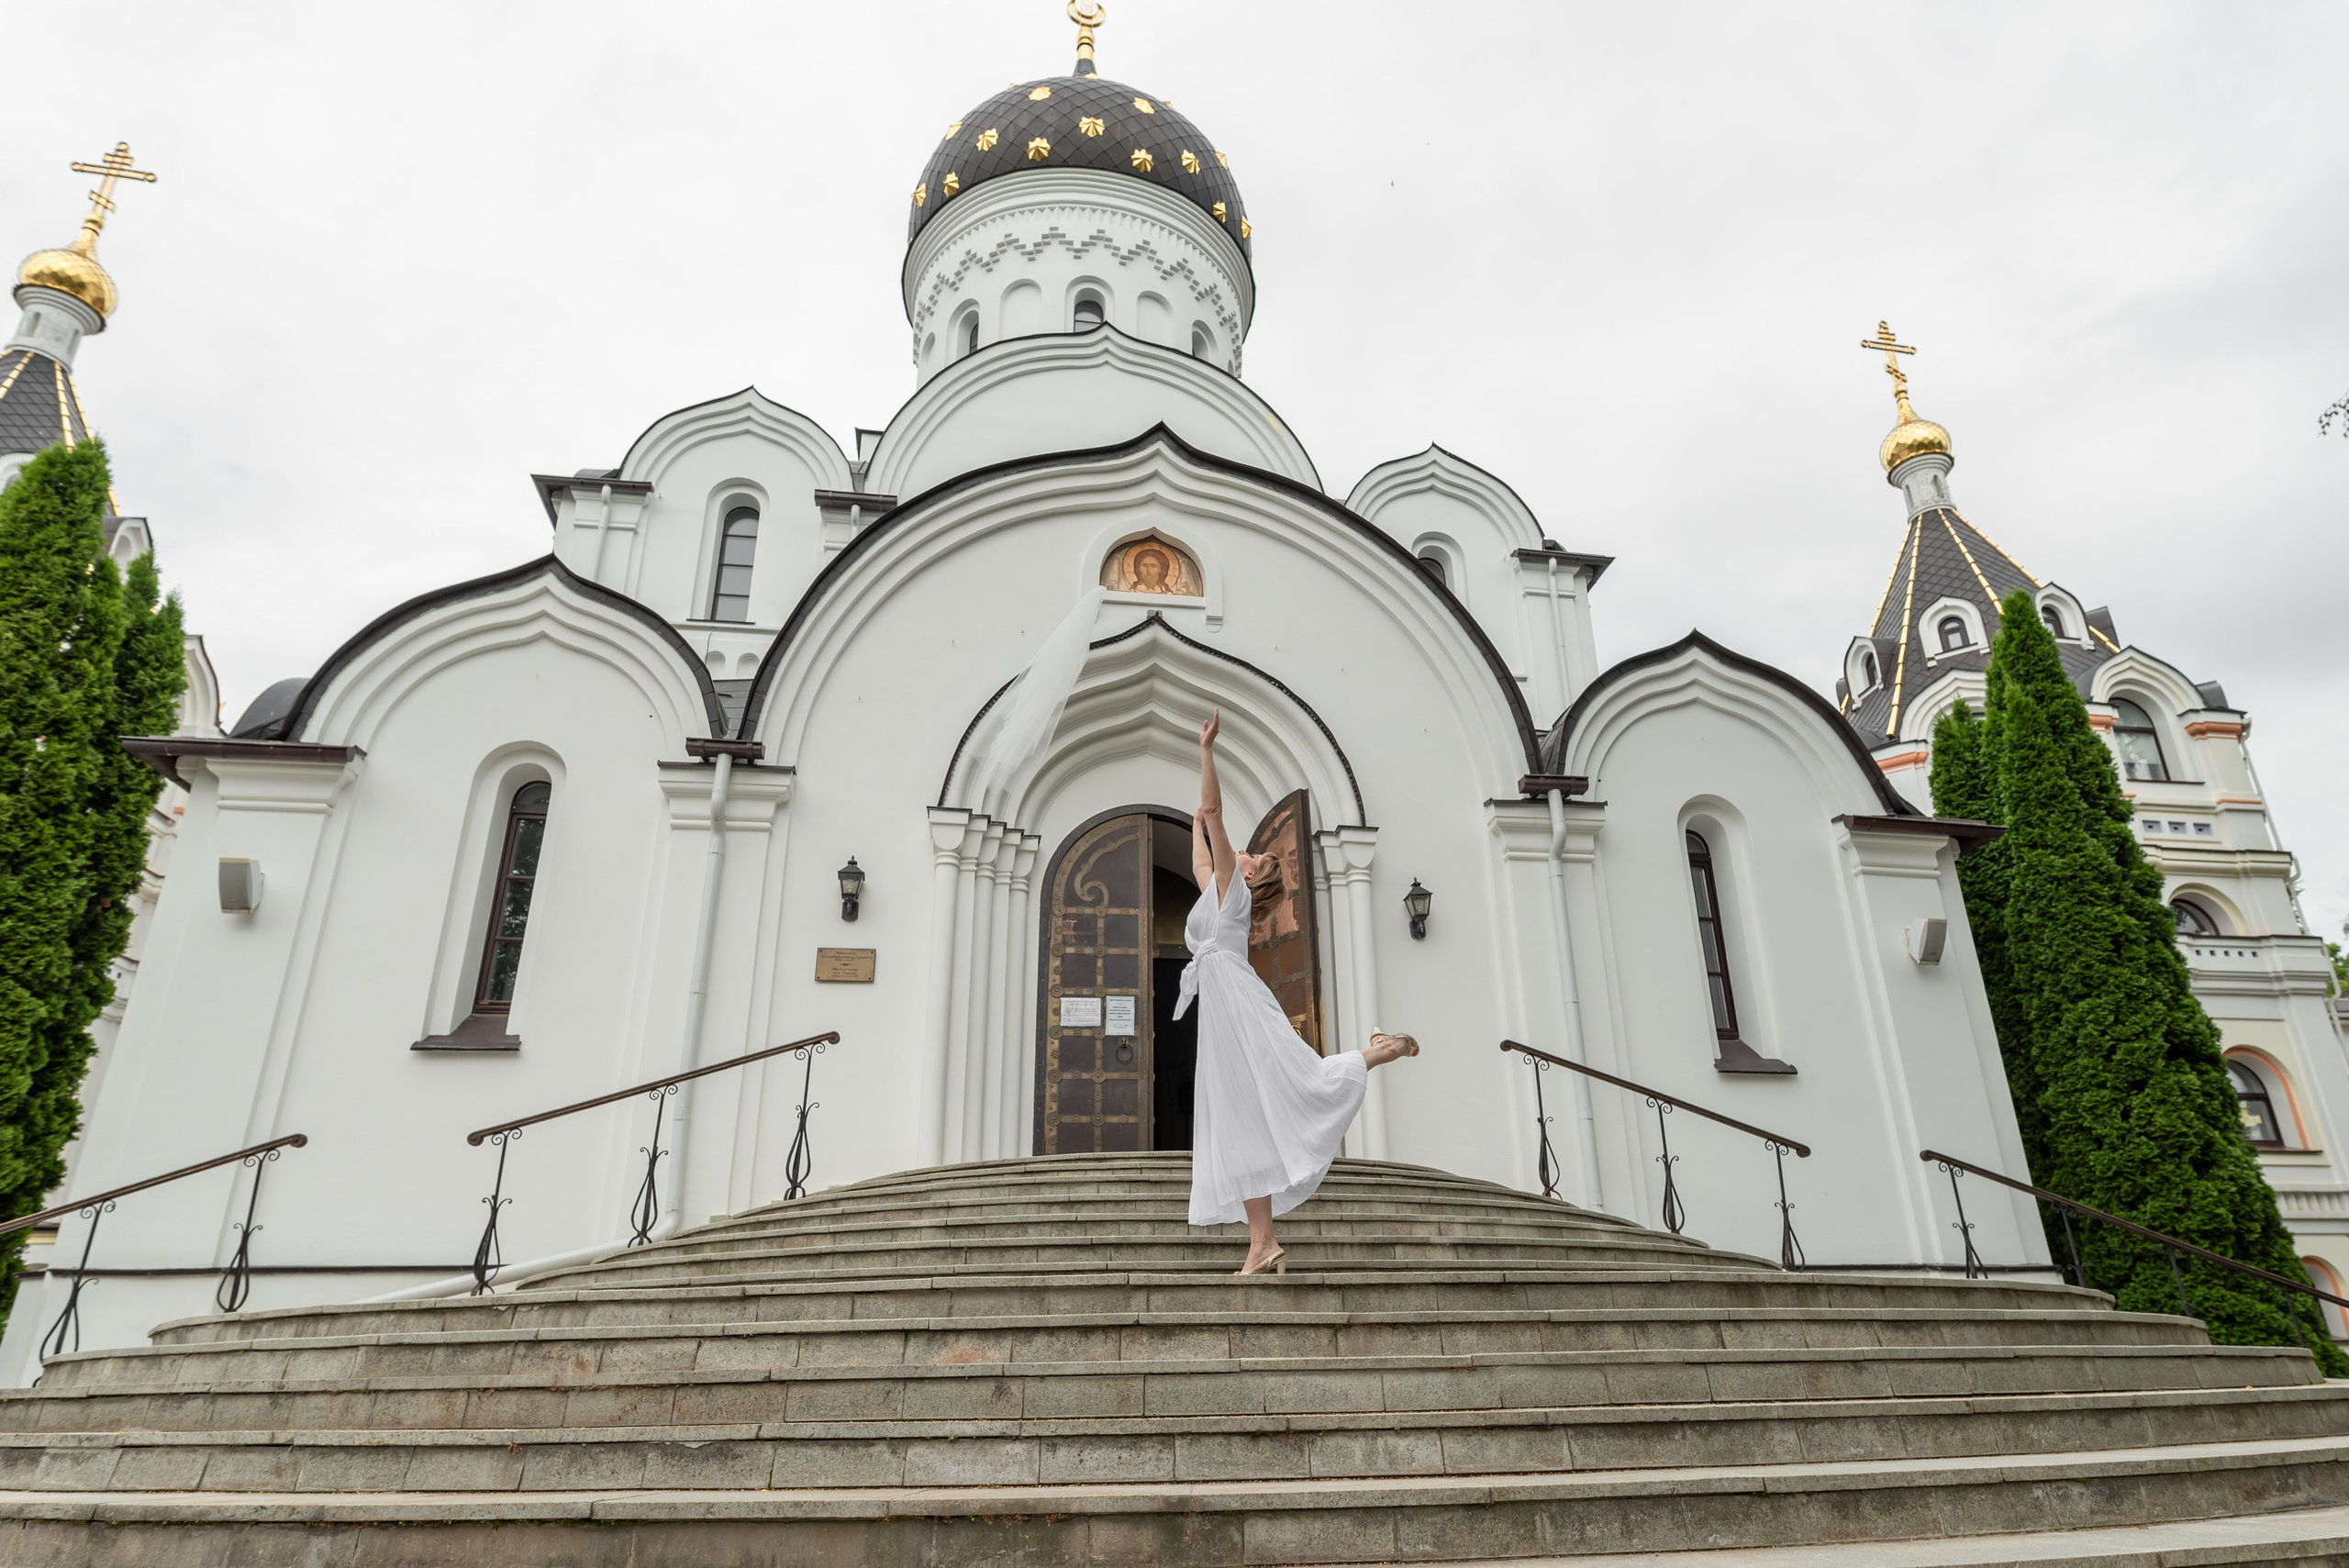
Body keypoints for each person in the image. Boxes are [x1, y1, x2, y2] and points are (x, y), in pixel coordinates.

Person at [1174, 709, 1417, 1274]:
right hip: (1223, 1011)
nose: (1244, 856)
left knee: (1297, 1084)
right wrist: (1194, 822)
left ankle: (1380, 1049)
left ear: (1252, 878)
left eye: (1253, 858)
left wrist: (1205, 753)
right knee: (1239, 1121)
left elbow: (1213, 814)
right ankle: (1263, 1243)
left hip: (1239, 1007)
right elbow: (1199, 849)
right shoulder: (1215, 891)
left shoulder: (1234, 893)